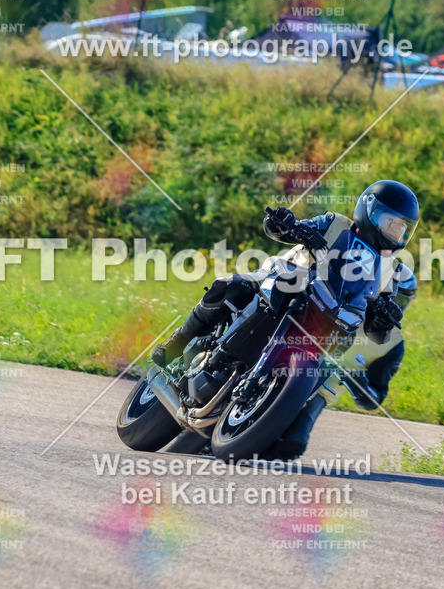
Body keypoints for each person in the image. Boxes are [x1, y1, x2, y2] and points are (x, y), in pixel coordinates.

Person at [152, 180, 420, 459]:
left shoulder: (387, 272)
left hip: (328, 321)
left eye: (402, 229)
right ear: (369, 211)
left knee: (328, 369)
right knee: (234, 286)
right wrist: (285, 222)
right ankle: (179, 340)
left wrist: (384, 320)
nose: (396, 233)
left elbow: (376, 332)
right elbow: (279, 230)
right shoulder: (334, 223)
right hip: (285, 283)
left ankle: (272, 420)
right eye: (391, 223)